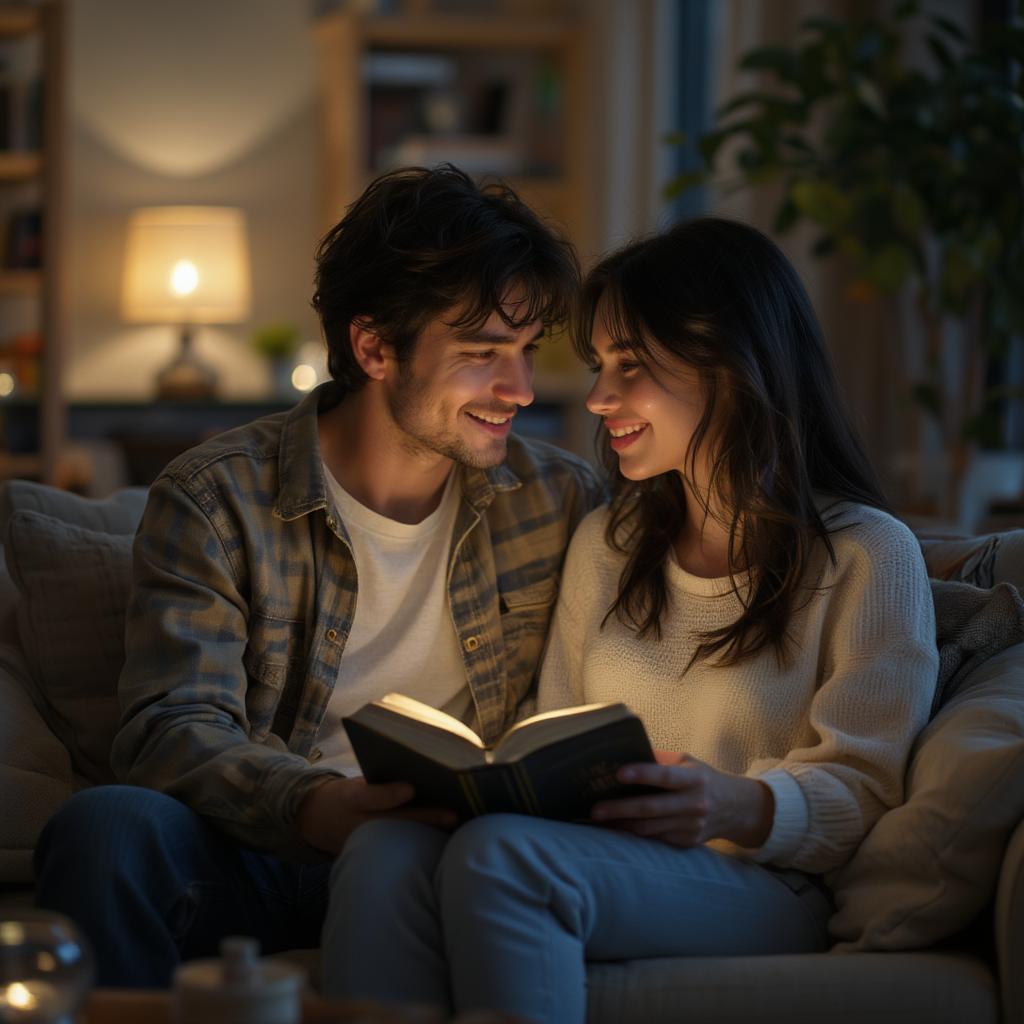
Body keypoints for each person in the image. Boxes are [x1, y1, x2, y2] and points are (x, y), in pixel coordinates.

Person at [320, 218, 940, 1023]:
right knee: (384, 849)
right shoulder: (609, 543)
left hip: (764, 880)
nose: (599, 398)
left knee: (505, 859)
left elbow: (868, 790)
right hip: (603, 857)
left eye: (632, 367)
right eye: (599, 366)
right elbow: (553, 731)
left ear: (730, 366)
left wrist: (732, 805)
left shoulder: (867, 557)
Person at [32, 165, 603, 987]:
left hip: (453, 857)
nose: (518, 390)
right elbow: (171, 725)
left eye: (523, 352)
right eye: (482, 355)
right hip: (263, 848)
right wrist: (312, 805)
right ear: (373, 346)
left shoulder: (560, 499)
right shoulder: (217, 496)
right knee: (107, 830)